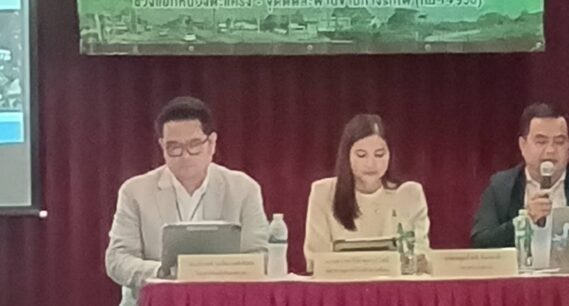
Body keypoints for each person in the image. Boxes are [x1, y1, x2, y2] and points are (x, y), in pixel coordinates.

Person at [105, 96, 268, 306]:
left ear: (212, 143)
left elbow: (259, 256)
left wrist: (212, 272)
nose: (185, 156)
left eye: (194, 145)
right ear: (162, 146)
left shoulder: (243, 189)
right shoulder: (135, 191)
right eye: (174, 147)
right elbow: (117, 259)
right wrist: (164, 272)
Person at [303, 114, 430, 272]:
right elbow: (316, 260)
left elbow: (421, 258)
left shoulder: (410, 193)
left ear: (390, 154)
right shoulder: (323, 192)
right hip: (341, 283)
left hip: (394, 284)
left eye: (379, 154)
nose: (371, 164)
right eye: (361, 155)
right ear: (347, 155)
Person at [471, 102, 569, 248]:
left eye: (559, 142)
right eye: (541, 142)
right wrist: (523, 222)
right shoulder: (501, 187)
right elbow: (481, 242)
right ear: (523, 145)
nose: (550, 150)